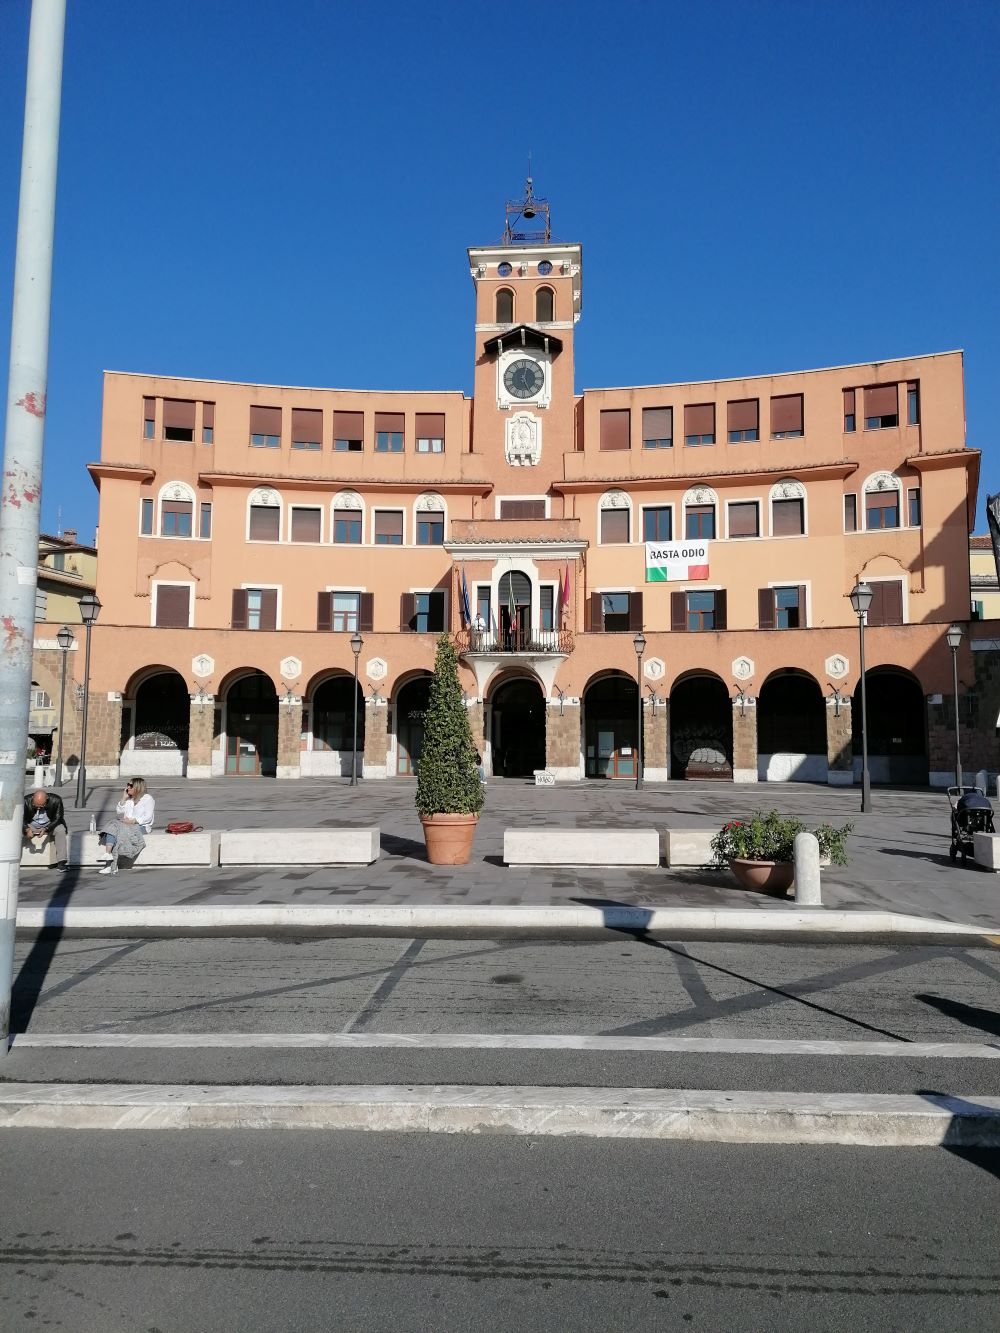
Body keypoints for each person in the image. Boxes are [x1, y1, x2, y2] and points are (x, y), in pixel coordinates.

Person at [97, 777, 155, 876]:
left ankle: (110, 865)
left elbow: (148, 817)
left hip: (141, 826)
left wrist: (133, 821)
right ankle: (108, 855)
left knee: (118, 830)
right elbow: (119, 811)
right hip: (126, 825)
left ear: (137, 787)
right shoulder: (129, 800)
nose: (128, 787)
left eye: (130, 786)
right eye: (127, 785)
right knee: (114, 825)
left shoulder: (147, 799)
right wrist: (124, 798)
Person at [22, 788, 67, 867]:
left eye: (42, 805)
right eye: (35, 805)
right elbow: (20, 818)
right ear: (33, 798)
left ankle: (61, 861)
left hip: (50, 824)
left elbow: (58, 818)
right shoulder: (25, 801)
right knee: (16, 831)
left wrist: (46, 828)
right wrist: (26, 828)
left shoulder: (56, 800)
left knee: (61, 830)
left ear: (47, 799)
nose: (39, 808)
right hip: (31, 825)